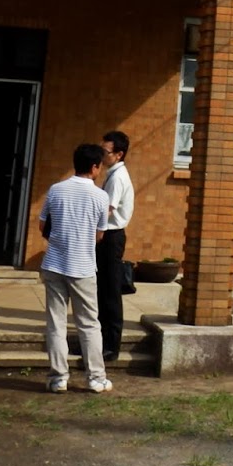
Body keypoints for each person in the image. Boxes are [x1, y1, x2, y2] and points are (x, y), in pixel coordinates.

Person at [38, 142, 111, 394]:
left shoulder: (55, 190)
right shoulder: (101, 196)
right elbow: (100, 234)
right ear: (94, 167)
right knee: (89, 324)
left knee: (55, 323)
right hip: (83, 267)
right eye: (100, 165)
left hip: (54, 264)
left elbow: (42, 226)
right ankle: (96, 377)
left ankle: (58, 377)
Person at [95, 129, 134, 361]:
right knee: (102, 289)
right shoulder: (112, 174)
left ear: (118, 154)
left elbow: (106, 211)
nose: (102, 155)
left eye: (105, 151)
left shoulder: (118, 177)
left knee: (110, 291)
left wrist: (94, 234)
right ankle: (101, 340)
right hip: (108, 235)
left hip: (111, 236)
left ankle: (111, 345)